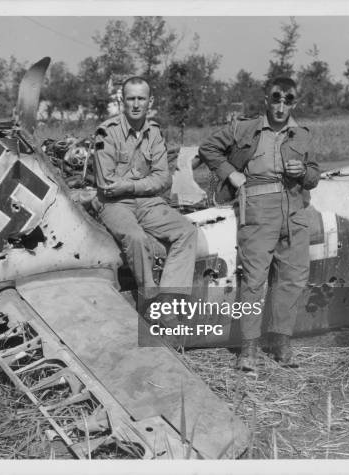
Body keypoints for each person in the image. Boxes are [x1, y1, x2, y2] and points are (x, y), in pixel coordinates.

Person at [198, 77, 320, 371]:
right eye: (276, 99)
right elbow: (208, 148)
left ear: (295, 102)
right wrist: (231, 173)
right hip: (257, 209)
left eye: (287, 100)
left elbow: (315, 175)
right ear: (266, 98)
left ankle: (280, 342)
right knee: (254, 280)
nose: (280, 106)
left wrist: (303, 170)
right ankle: (249, 348)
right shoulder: (245, 128)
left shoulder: (302, 134)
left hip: (294, 210)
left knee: (291, 279)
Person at [93, 76, 197, 306]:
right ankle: (149, 300)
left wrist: (129, 184)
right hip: (114, 204)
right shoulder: (107, 132)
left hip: (147, 202)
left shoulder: (155, 133)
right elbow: (108, 185)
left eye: (141, 98)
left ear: (150, 101)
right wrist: (144, 182)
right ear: (122, 101)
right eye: (131, 99)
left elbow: (163, 179)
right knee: (136, 238)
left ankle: (168, 302)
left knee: (187, 231)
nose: (136, 104)